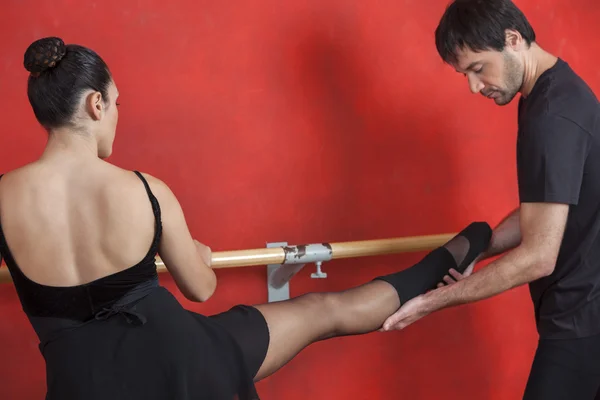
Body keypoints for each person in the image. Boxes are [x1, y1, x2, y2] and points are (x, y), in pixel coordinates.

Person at [0, 36, 492, 400]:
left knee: (324, 311)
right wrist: (199, 255)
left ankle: (462, 247)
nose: (117, 118)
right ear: (95, 103)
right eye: (117, 105)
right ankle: (460, 249)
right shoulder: (143, 189)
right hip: (181, 366)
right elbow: (202, 288)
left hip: (79, 383)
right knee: (325, 311)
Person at [381, 0, 600, 398]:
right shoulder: (549, 94)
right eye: (464, 75)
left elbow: (539, 255)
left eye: (478, 69)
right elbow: (549, 206)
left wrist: (433, 302)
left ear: (512, 40)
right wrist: (481, 251)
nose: (473, 87)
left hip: (585, 320)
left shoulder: (552, 114)